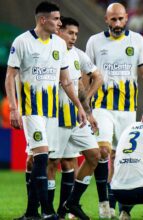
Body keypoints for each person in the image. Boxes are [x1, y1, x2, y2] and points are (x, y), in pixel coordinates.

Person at [5, 1, 87, 219]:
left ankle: (32, 213)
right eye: (56, 19)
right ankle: (48, 212)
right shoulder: (22, 42)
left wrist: (79, 106)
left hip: (52, 113)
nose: (59, 23)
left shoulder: (59, 45)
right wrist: (14, 108)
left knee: (37, 160)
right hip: (32, 110)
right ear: (43, 20)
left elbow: (66, 81)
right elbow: (10, 76)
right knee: (42, 158)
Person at [85, 2, 143, 218]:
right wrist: (85, 106)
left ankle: (118, 206)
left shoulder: (137, 40)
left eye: (121, 19)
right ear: (106, 19)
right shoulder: (94, 41)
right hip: (102, 107)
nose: (117, 23)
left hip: (127, 110)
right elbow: (87, 75)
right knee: (103, 152)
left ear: (126, 18)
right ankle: (104, 203)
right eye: (113, 19)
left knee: (122, 159)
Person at [44, 16, 102, 220]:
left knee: (95, 155)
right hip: (56, 117)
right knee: (52, 163)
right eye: (70, 33)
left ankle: (72, 203)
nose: (74, 37)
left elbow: (81, 85)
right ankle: (48, 211)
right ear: (59, 31)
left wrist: (88, 110)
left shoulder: (77, 55)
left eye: (76, 34)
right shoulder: (49, 52)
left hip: (76, 118)